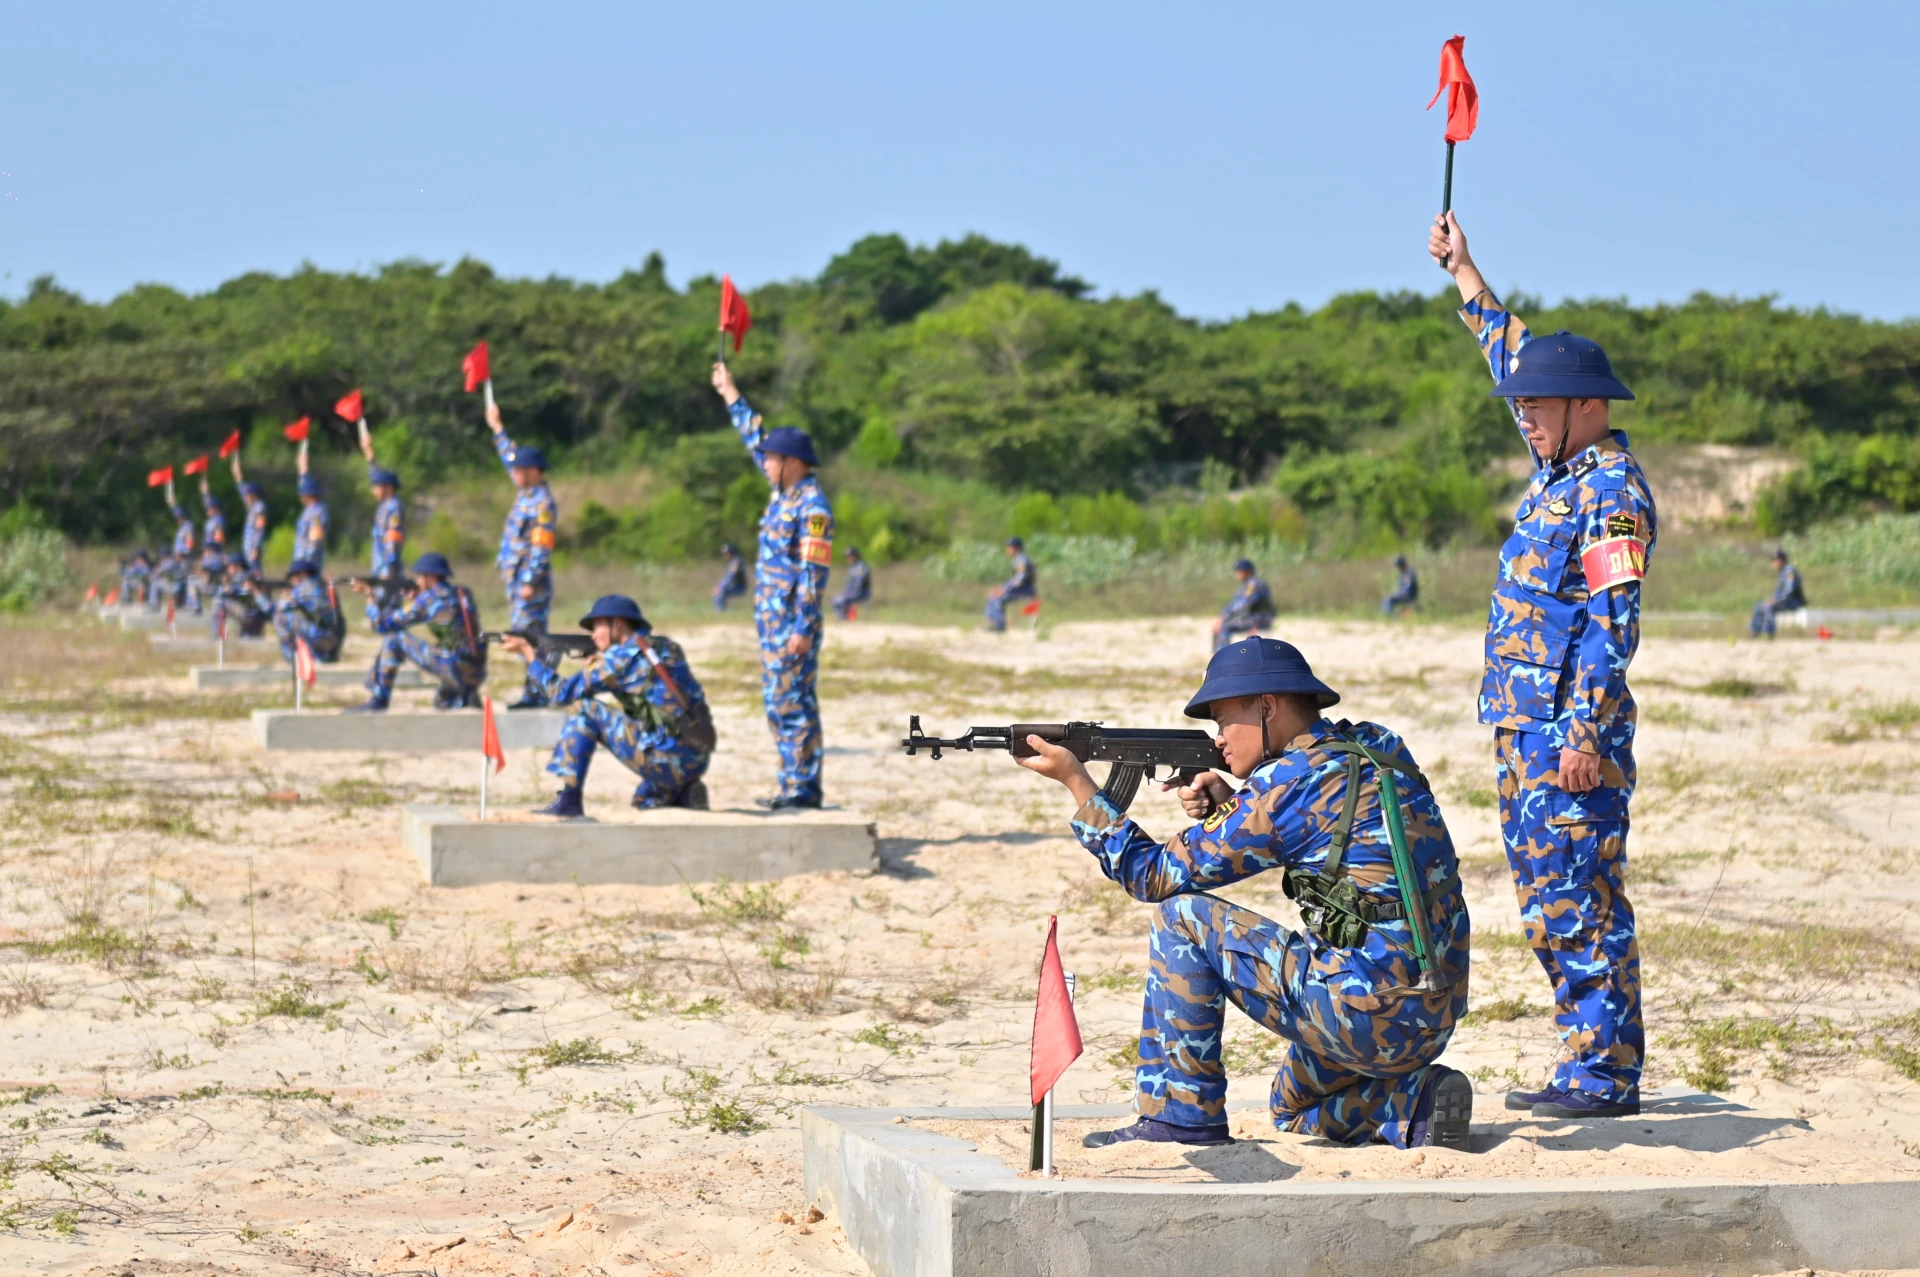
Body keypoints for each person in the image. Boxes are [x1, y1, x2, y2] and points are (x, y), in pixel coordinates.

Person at [1016, 637, 1472, 1150]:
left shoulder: (1283, 786)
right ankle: (1414, 1103)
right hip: (1434, 1014)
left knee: (1181, 915)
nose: (1219, 738)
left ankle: (1180, 1119)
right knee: (1290, 1108)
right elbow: (1327, 830)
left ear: (1267, 706)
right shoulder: (1381, 745)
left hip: (1365, 1015)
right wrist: (1237, 804)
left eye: (1223, 720)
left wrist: (1079, 784)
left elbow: (1150, 876)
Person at [1432, 211, 1653, 1119]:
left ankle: (1605, 1074)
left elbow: (1612, 624)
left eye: (1538, 407)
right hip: (1521, 729)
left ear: (1589, 407)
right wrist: (1466, 274)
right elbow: (1515, 356)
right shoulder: (1560, 466)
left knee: (1581, 900)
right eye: (1519, 407)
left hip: (1568, 738)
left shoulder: (1609, 494)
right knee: (1545, 901)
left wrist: (1583, 733)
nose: (1524, 417)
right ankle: (1584, 1061)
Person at [712, 361, 833, 810]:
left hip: (792, 626)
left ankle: (803, 787)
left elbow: (813, 575)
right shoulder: (782, 494)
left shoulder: (812, 508)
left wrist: (802, 626)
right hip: (773, 623)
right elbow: (753, 435)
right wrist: (729, 391)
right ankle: (791, 783)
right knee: (777, 703)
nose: (763, 463)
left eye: (771, 459)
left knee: (793, 703)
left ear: (794, 463)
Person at [503, 594, 714, 817]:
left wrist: (528, 654)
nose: (592, 635)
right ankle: (684, 792)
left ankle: (569, 801)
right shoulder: (667, 647)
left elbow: (559, 693)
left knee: (584, 709)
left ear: (618, 623)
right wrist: (601, 664)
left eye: (597, 626)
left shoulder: (617, 660)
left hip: (664, 761)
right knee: (645, 799)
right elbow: (644, 684)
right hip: (696, 755)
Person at [485, 400, 558, 708]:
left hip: (531, 583)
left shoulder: (542, 503)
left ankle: (539, 691)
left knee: (529, 638)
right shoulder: (526, 493)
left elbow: (542, 546)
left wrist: (529, 581)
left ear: (534, 471)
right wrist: (497, 427)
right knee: (525, 636)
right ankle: (537, 689)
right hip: (516, 580)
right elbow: (509, 456)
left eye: (519, 470)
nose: (513, 473)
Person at [348, 552, 485, 712]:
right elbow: (442, 613)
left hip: (452, 667)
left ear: (431, 577)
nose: (418, 580)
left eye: (421, 576)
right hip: (476, 670)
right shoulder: (463, 593)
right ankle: (464, 695)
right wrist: (417, 600)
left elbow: (382, 626)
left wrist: (369, 595)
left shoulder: (428, 600)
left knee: (394, 638)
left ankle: (379, 699)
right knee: (442, 702)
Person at [272, 557, 344, 666]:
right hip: (332, 635)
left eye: (293, 577)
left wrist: (286, 597)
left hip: (320, 635)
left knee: (282, 616)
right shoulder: (320, 585)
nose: (291, 581)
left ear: (302, 574)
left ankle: (297, 658)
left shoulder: (305, 587)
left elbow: (282, 607)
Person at [1212, 557, 1274, 650]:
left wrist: (1224, 617)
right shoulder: (1245, 585)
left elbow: (1243, 604)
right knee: (1220, 624)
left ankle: (1223, 655)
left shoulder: (1254, 584)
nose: (1237, 574)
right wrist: (1221, 616)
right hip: (1252, 617)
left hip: (1260, 618)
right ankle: (1217, 656)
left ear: (1247, 572)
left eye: (1239, 571)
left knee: (1224, 626)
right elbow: (1233, 604)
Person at [1750, 549, 1806, 638]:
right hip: (1783, 600)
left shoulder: (1789, 571)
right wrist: (1772, 599)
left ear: (1782, 560)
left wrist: (1775, 600)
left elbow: (1789, 592)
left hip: (1792, 601)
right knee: (1758, 606)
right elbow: (1779, 592)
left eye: (1776, 560)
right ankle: (1755, 632)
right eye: (1773, 560)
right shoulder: (1782, 572)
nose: (1774, 562)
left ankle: (1770, 633)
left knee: (1768, 607)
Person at [986, 537, 1037, 632]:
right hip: (1022, 588)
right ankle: (998, 623)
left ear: (1015, 548)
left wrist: (1004, 589)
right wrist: (1002, 587)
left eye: (1009, 547)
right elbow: (1016, 579)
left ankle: (1000, 625)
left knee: (996, 597)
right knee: (993, 595)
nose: (1007, 549)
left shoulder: (1021, 560)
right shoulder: (1018, 559)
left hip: (1025, 590)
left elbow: (1020, 580)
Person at [231, 452, 270, 577]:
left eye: (248, 495)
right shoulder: (252, 507)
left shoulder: (259, 507)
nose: (246, 497)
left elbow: (260, 528)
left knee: (256, 574)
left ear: (254, 495)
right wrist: (237, 473)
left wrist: (256, 548)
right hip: (248, 546)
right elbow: (241, 489)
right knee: (251, 574)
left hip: (253, 547)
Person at [215, 556, 272, 639]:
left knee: (220, 602)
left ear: (238, 566)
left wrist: (227, 585)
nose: (228, 569)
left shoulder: (242, 577)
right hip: (257, 616)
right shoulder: (249, 575)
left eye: (230, 566)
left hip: (251, 614)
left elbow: (236, 591)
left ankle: (219, 636)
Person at [294, 475, 329, 571]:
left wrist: (307, 564)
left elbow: (316, 539)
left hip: (309, 562)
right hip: (302, 559)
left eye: (302, 494)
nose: (300, 496)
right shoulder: (309, 510)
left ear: (309, 495)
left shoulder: (318, 512)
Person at [832, 547, 873, 620]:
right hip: (852, 593)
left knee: (841, 600)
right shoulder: (852, 568)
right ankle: (843, 618)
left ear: (855, 556)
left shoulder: (861, 567)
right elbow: (849, 583)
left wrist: (848, 593)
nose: (848, 558)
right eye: (847, 557)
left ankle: (844, 619)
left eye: (850, 556)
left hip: (861, 593)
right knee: (836, 599)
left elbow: (859, 583)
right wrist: (845, 592)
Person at [712, 542, 748, 611]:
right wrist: (720, 586)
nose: (724, 555)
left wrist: (720, 587)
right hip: (733, 586)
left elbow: (731, 577)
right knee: (719, 590)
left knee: (719, 592)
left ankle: (721, 612)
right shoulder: (733, 561)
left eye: (726, 553)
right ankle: (721, 611)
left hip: (739, 587)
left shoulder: (737, 561)